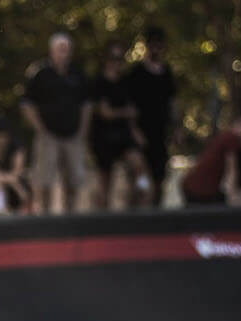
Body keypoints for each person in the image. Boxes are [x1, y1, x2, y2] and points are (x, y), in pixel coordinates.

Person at [22, 32, 92, 214]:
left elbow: (86, 104)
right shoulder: (40, 73)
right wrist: (40, 128)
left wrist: (83, 130)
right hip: (48, 135)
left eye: (67, 49)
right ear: (51, 51)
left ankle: (71, 214)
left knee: (75, 179)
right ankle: (44, 214)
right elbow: (27, 104)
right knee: (44, 179)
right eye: (60, 49)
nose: (64, 53)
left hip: (73, 134)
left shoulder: (77, 73)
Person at [89, 42, 147, 209]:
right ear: (106, 59)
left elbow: (133, 111)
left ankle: (138, 204)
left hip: (124, 136)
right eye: (113, 58)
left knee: (138, 166)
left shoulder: (126, 82)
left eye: (120, 59)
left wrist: (135, 130)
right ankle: (102, 220)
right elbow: (105, 113)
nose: (117, 63)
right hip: (103, 137)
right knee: (105, 182)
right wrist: (125, 112)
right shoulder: (98, 82)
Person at [125, 26, 176, 205]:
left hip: (160, 135)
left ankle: (156, 217)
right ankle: (136, 215)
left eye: (159, 45)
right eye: (152, 44)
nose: (156, 48)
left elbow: (172, 103)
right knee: (142, 182)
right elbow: (129, 107)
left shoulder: (167, 73)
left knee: (159, 180)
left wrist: (176, 130)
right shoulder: (136, 73)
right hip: (140, 137)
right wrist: (134, 130)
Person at [179, 112, 241, 205]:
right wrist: (232, 195)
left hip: (197, 187)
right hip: (200, 188)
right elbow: (232, 169)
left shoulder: (231, 140)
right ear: (235, 125)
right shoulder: (231, 138)